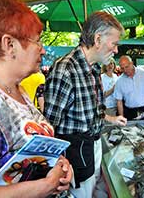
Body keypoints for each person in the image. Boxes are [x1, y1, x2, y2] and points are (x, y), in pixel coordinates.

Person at [0, 0, 72, 197]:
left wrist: (60, 166)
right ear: (9, 44)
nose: (43, 49)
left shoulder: (14, 88)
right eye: (38, 40)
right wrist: (45, 186)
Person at [44, 11, 127, 198]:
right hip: (74, 154)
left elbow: (94, 112)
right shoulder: (66, 69)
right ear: (98, 39)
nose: (116, 50)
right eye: (114, 44)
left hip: (93, 147)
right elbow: (49, 126)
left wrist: (111, 119)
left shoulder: (94, 68)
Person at [114, 55, 144, 120]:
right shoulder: (119, 81)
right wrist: (121, 117)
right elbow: (119, 101)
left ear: (132, 63)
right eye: (122, 68)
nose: (125, 70)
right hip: (129, 112)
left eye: (127, 67)